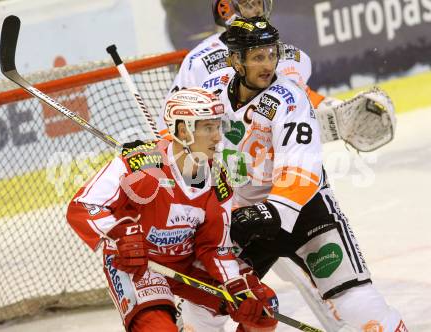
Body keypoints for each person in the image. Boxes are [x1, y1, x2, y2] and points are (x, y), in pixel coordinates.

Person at [197, 16, 408, 332]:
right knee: (200, 306)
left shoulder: (289, 97)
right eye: (257, 56)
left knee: (355, 302)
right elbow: (184, 136)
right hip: (244, 215)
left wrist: (273, 211)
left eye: (271, 53)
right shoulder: (210, 91)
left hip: (307, 214)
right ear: (235, 61)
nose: (268, 63)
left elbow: (301, 168)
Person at [66, 88, 279, 332]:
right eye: (208, 128)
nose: (218, 137)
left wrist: (234, 283)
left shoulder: (217, 177)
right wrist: (118, 232)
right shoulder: (140, 165)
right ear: (182, 130)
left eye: (218, 127)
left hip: (186, 261)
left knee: (261, 307)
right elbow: (82, 206)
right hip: (138, 263)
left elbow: (215, 246)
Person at [159, 0, 395, 153]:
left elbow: (298, 97)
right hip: (229, 182)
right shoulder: (199, 61)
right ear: (225, 9)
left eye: (257, 2)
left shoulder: (289, 55)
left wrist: (338, 112)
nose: (255, 9)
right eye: (245, 3)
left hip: (284, 176)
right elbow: (170, 123)